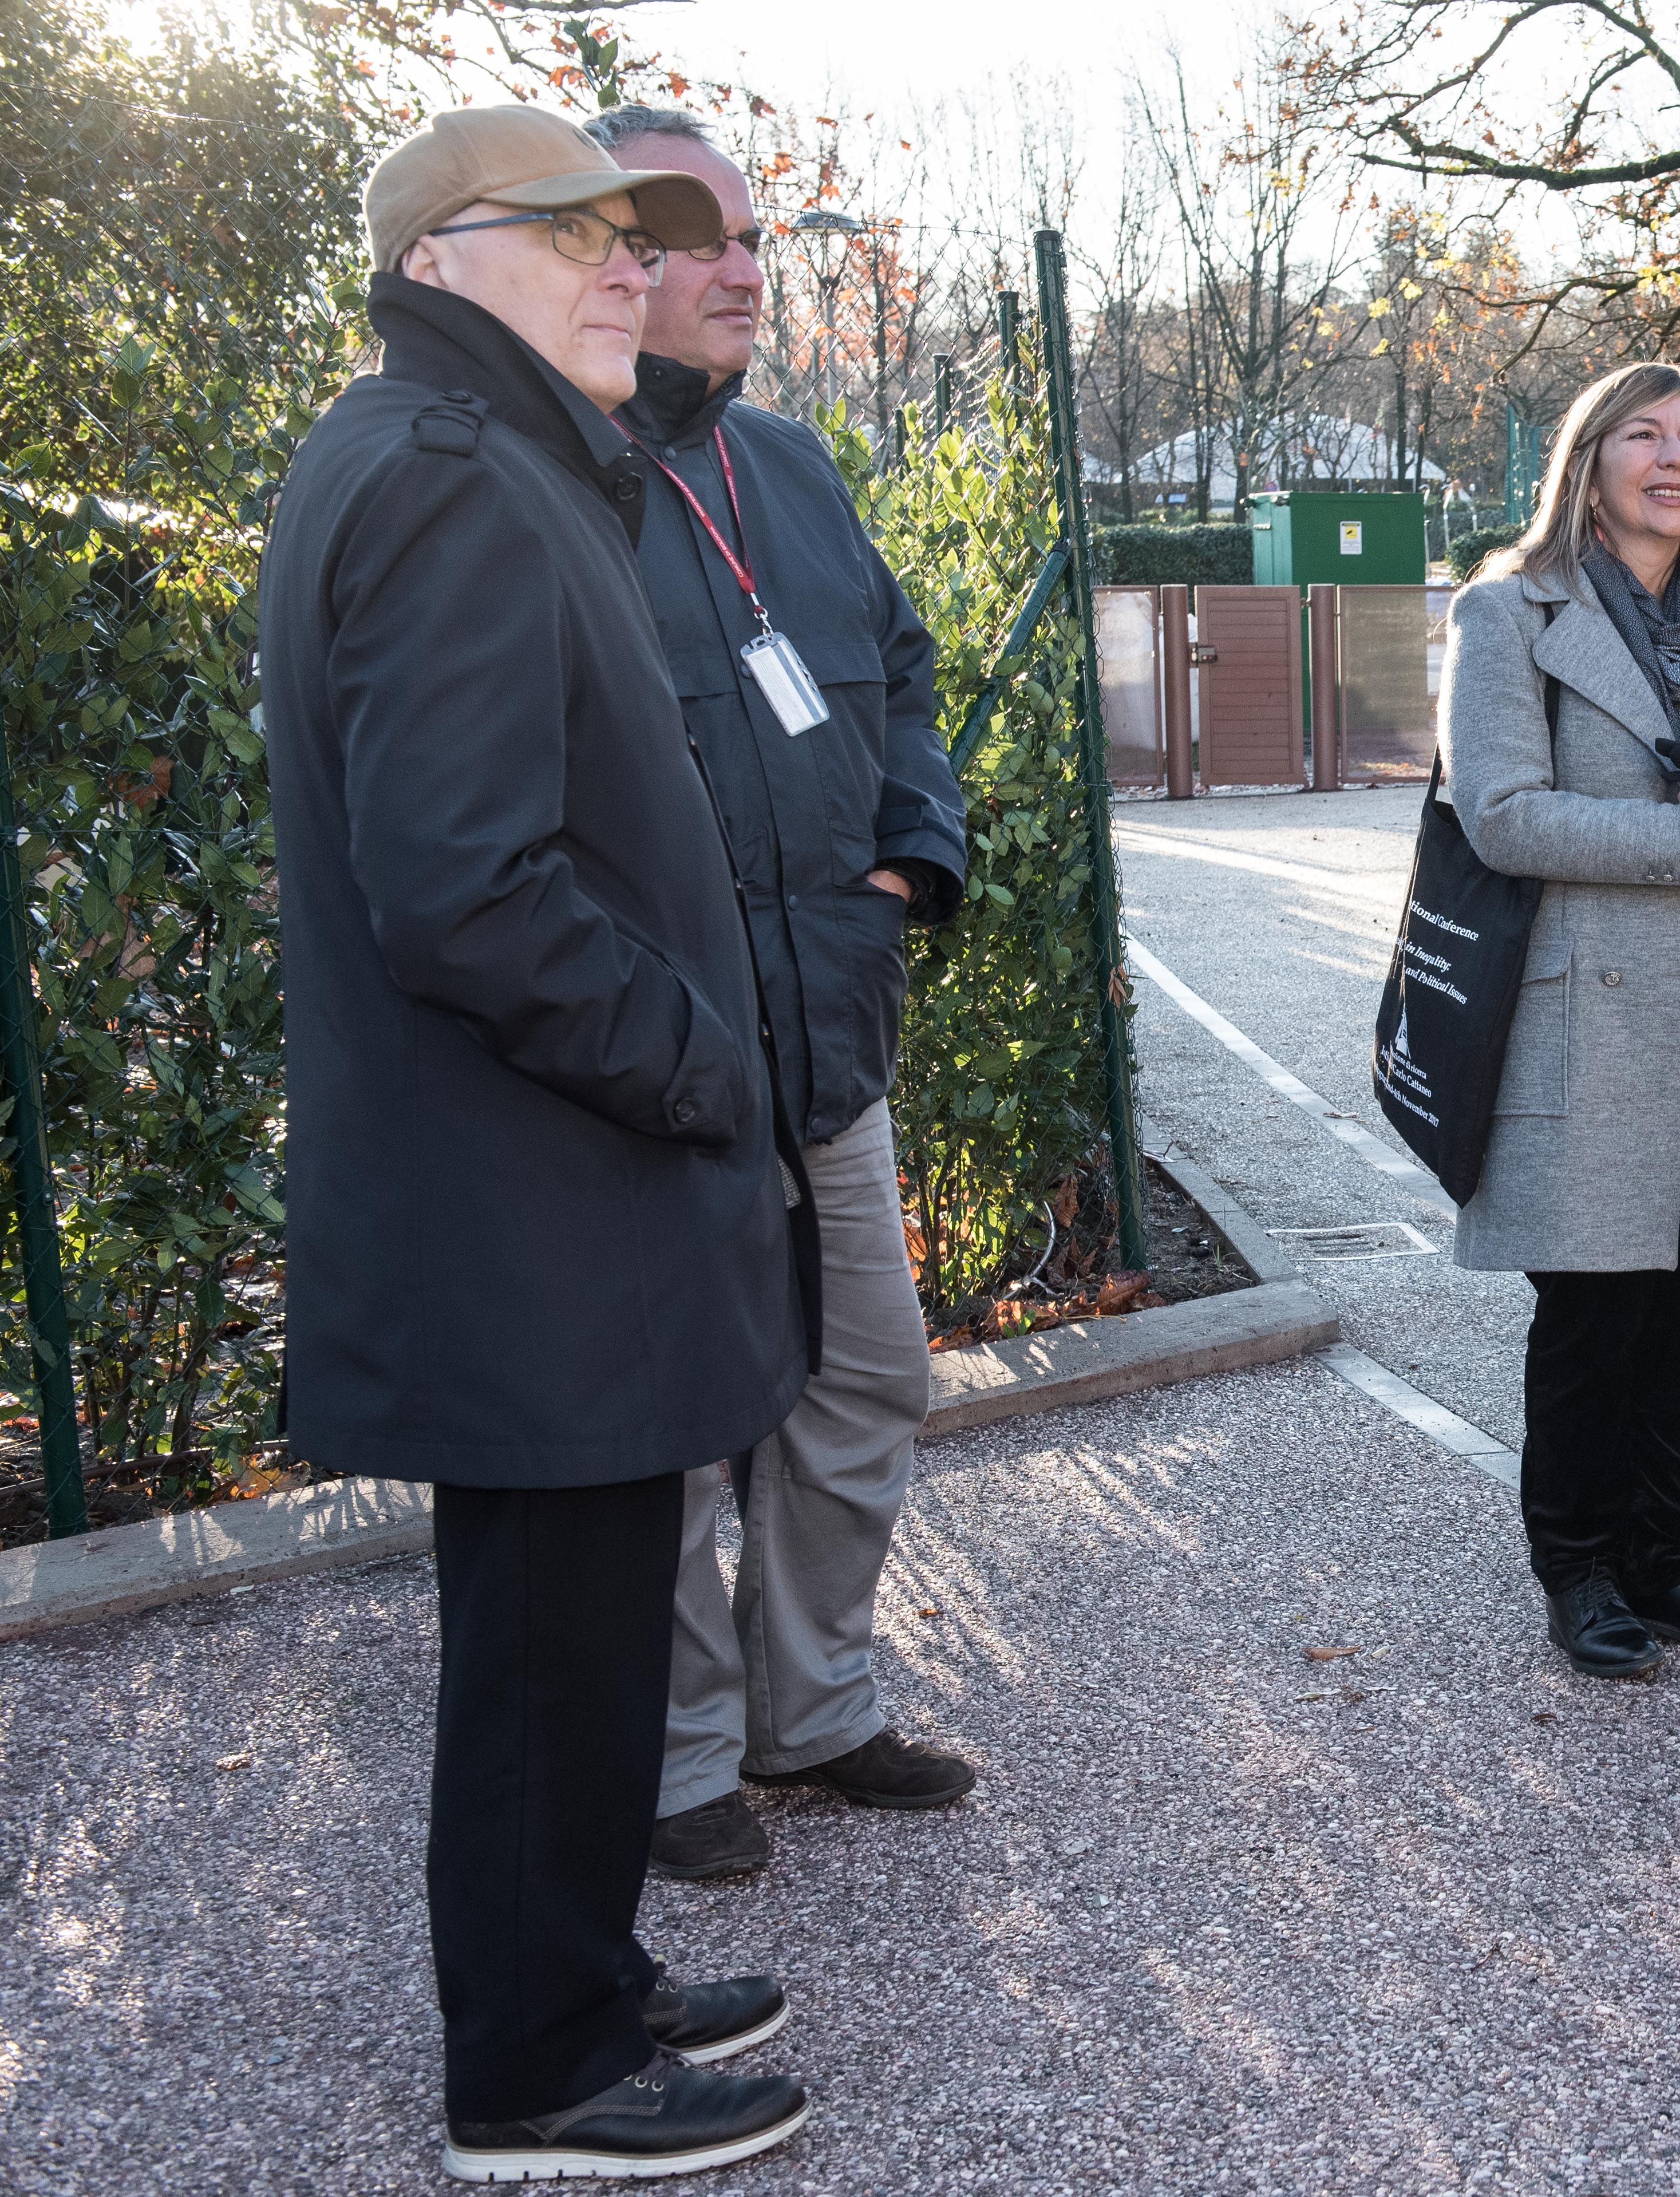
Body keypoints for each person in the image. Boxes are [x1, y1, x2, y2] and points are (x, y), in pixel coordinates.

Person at [256, 106, 814, 2179]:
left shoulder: (485, 456)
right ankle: (539, 2064)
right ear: (430, 264)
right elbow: (465, 885)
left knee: (573, 1630)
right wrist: (697, 1059)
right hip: (542, 1193)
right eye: (566, 230)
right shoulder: (446, 477)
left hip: (545, 1189)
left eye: (632, 234)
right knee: (544, 1645)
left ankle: (574, 1964)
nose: (621, 263)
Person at [575, 105, 978, 1884]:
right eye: (704, 238)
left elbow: (895, 671)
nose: (747, 269)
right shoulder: (545, 480)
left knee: (866, 1376)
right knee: (666, 1419)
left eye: (759, 240)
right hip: (649, 1064)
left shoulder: (789, 468)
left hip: (831, 1029)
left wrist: (910, 868)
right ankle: (667, 1762)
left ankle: (806, 1710)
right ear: (607, 259)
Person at [1441, 363, 1680, 1680]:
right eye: (1645, 435)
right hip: (1587, 1020)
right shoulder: (1509, 615)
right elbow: (1499, 815)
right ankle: (1579, 1569)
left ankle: (1668, 1561)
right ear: (1588, 462)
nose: (1675, 459)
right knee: (1595, 1311)